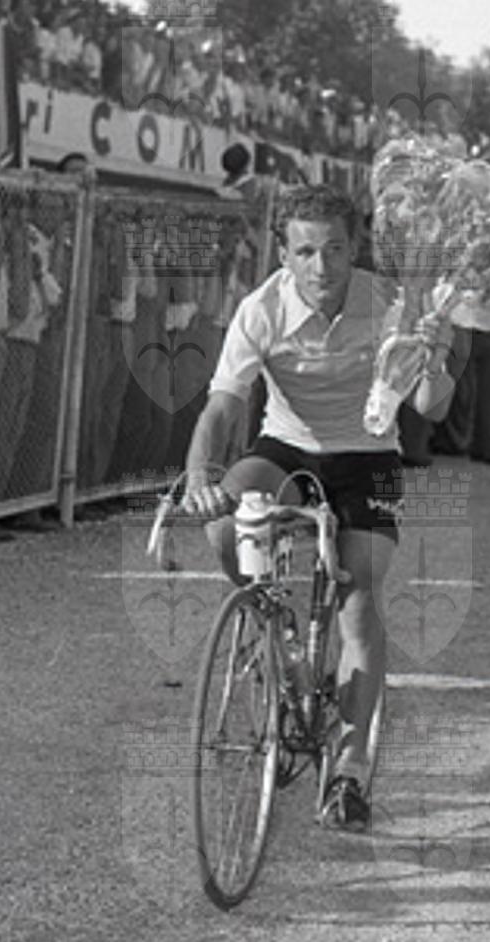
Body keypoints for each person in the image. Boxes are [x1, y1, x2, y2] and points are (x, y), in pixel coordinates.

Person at [180, 184, 458, 832]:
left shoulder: (391, 304)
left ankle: (350, 769)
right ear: (283, 253)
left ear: (354, 248)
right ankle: (274, 632)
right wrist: (199, 475)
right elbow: (222, 406)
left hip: (370, 456)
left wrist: (435, 356)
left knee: (359, 594)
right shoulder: (262, 308)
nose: (320, 266)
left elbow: (430, 408)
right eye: (304, 251)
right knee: (225, 526)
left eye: (334, 249)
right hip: (287, 447)